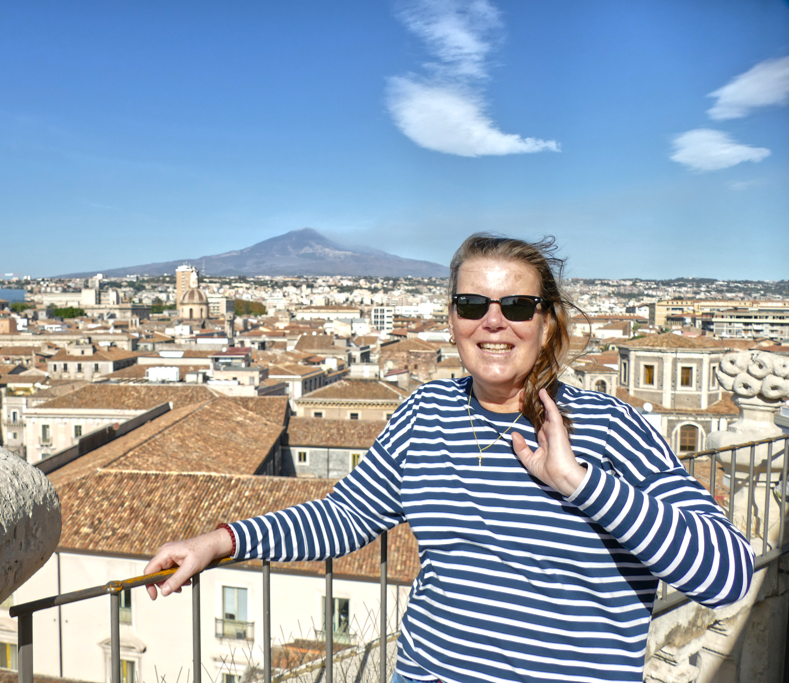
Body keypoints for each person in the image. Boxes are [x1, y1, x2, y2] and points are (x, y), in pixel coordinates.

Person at [144, 234, 754, 683]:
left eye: (517, 306)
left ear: (547, 321)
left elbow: (725, 573)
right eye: (473, 306)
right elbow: (342, 518)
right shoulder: (425, 414)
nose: (494, 324)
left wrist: (581, 482)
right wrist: (220, 542)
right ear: (453, 320)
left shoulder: (608, 426)